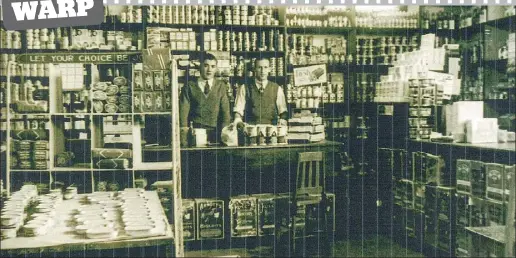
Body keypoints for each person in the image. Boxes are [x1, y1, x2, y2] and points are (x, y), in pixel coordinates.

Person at [179, 52, 231, 143]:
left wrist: (224, 135)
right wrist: (184, 137)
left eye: (213, 66)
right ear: (200, 67)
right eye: (206, 65)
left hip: (216, 134)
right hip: (195, 133)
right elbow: (183, 114)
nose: (209, 70)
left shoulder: (221, 86)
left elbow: (225, 114)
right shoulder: (189, 86)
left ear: (216, 69)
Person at [233, 57, 288, 126]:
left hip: (271, 131)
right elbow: (238, 110)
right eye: (259, 67)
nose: (262, 71)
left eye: (265, 67)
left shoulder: (276, 88)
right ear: (254, 69)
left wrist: (282, 120)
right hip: (250, 130)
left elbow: (283, 111)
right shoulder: (244, 88)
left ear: (269, 69)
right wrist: (238, 121)